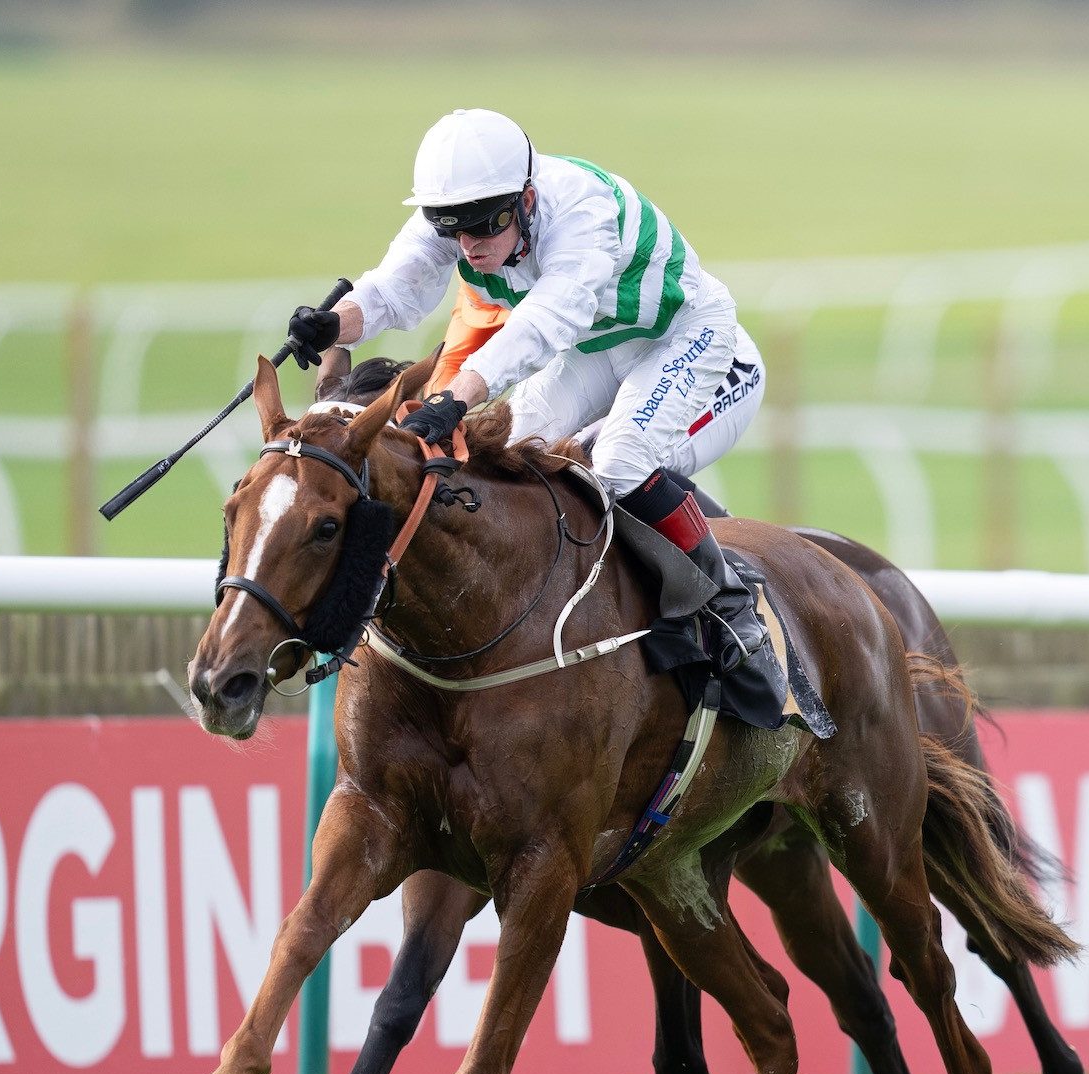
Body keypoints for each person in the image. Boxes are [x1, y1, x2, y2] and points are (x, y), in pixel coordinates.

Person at [285, 107, 775, 691]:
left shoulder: (582, 210)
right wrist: (333, 326)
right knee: (505, 455)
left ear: (527, 198)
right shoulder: (469, 213)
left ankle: (731, 608)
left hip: (685, 337)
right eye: (452, 228)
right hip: (601, 348)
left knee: (617, 460)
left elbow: (546, 323)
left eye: (486, 224)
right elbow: (396, 287)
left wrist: (460, 395)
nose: (470, 245)